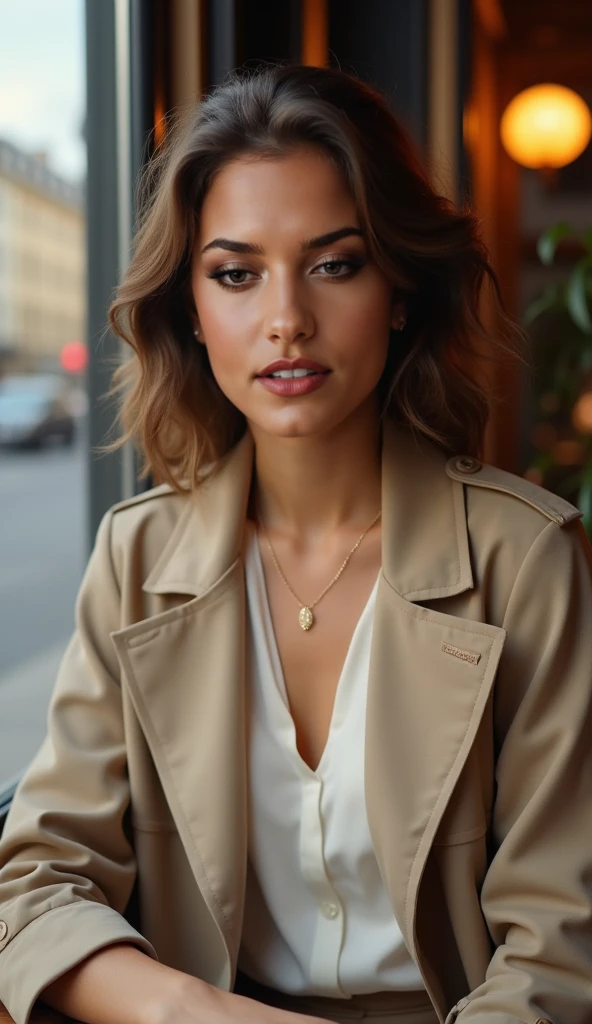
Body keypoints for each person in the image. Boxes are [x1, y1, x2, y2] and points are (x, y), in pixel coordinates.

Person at [0, 61, 591, 1024]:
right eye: (236, 274)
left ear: (398, 290)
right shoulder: (136, 559)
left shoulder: (526, 560)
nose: (286, 322)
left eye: (334, 264)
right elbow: (33, 886)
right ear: (193, 311)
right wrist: (189, 1010)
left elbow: (560, 958)